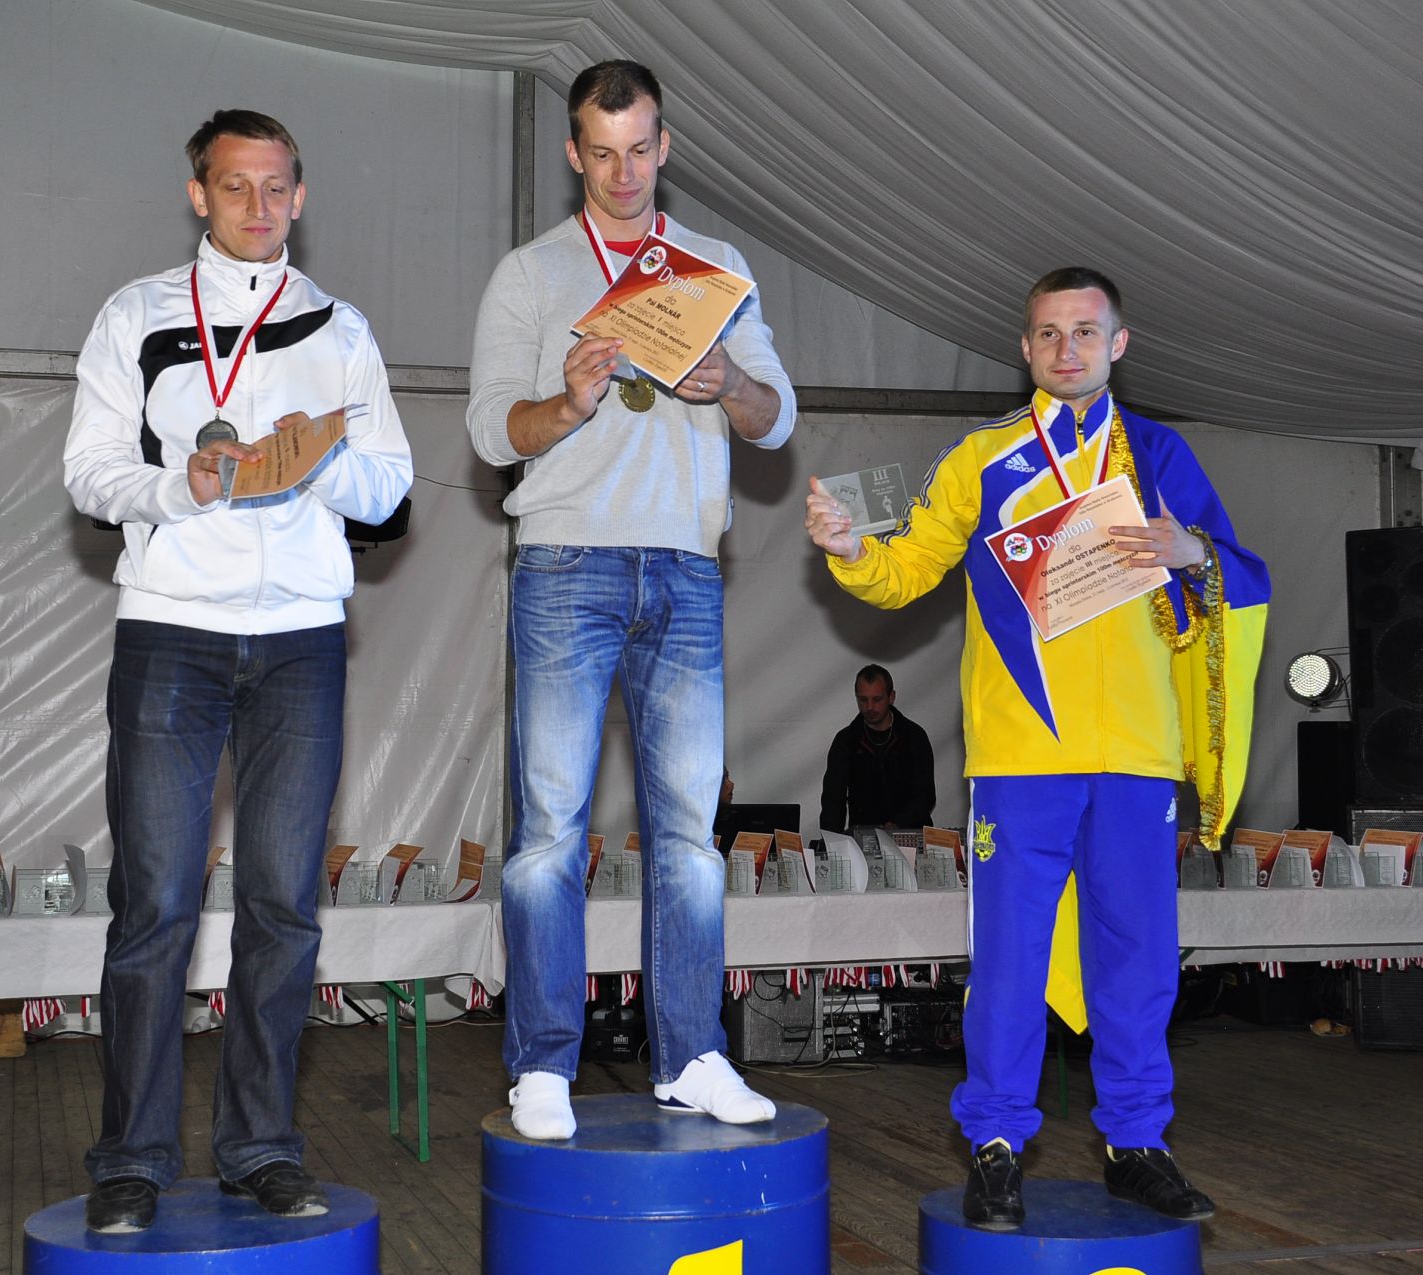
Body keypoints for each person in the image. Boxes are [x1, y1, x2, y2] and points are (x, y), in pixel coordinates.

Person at [805, 268, 1269, 1230]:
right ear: (1024, 347)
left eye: (1086, 332)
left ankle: (1138, 1143)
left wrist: (1193, 554)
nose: (1068, 349)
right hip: (1021, 757)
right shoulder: (982, 457)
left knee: (1139, 958)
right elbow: (906, 569)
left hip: (1138, 755)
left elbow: (1236, 572)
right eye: (1050, 333)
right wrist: (850, 550)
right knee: (1010, 958)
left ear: (1118, 344)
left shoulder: (1161, 454)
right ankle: (996, 1144)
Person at [62, 109, 412, 1233]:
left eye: (276, 188)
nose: (258, 207)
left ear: (300, 196)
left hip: (303, 638)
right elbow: (89, 472)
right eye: (235, 187)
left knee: (282, 907)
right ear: (198, 195)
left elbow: (391, 486)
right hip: (171, 631)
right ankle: (132, 1158)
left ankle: (261, 1145)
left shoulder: (341, 329)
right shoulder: (137, 315)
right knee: (155, 905)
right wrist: (184, 486)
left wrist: (316, 462)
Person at [467, 59, 796, 1140]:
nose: (623, 172)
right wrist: (565, 403)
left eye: (640, 148)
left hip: (688, 567)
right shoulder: (529, 273)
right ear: (573, 152)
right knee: (549, 831)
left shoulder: (717, 266)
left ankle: (691, 1054)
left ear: (666, 145)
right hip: (565, 562)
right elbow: (488, 432)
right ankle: (542, 1063)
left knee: (690, 835)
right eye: (602, 153)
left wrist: (728, 384)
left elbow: (778, 419)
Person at [819, 663, 935, 831]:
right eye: (863, 699)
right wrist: (832, 841)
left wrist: (898, 824)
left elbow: (925, 794)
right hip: (863, 836)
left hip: (910, 833)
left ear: (891, 697)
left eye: (877, 699)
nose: (869, 707)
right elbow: (833, 800)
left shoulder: (914, 736)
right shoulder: (846, 740)